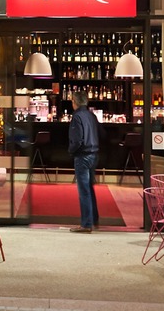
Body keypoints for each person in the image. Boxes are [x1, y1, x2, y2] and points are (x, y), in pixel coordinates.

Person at [67, 89, 100, 233]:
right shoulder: (91, 116)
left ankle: (86, 224)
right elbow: (102, 133)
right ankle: (94, 218)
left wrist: (71, 151)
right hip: (94, 154)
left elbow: (77, 140)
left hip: (82, 156)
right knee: (90, 188)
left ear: (74, 102)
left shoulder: (77, 117)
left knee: (84, 190)